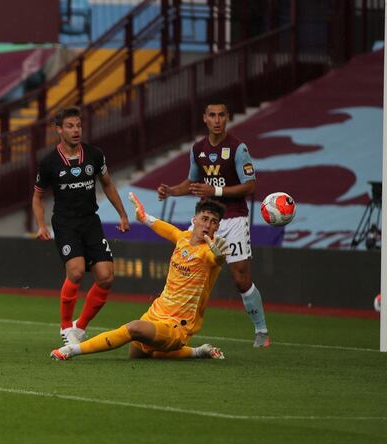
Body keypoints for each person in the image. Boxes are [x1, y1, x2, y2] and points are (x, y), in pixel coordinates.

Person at [51, 193, 226, 361]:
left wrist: (220, 255)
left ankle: (72, 350)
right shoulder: (183, 238)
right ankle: (197, 352)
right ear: (194, 220)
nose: (208, 224)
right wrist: (142, 216)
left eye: (214, 222)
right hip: (155, 313)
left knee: (133, 328)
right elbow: (163, 227)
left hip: (177, 326)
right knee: (139, 355)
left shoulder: (208, 253)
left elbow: (217, 259)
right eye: (204, 219)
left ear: (217, 228)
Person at [157, 102, 270, 348]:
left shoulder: (238, 148)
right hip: (206, 220)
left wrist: (215, 189)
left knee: (240, 278)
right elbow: (192, 182)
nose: (217, 120)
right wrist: (171, 191)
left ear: (227, 118)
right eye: (212, 115)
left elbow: (250, 185)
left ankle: (261, 330)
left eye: (221, 115)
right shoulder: (198, 149)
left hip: (234, 218)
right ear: (205, 119)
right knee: (187, 271)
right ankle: (173, 324)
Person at [32, 106, 130, 346]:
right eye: (70, 126)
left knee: (106, 277)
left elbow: (107, 184)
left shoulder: (95, 155)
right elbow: (37, 196)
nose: (76, 130)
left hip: (90, 221)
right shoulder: (49, 162)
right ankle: (65, 327)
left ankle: (80, 327)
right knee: (75, 271)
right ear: (59, 130)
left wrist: (122, 214)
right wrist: (41, 225)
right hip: (65, 223)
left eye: (78, 125)